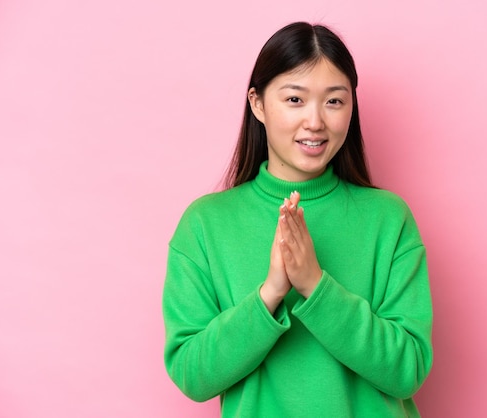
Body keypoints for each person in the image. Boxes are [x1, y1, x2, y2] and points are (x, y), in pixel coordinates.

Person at [162, 21, 433, 417]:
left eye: (334, 101)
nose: (315, 122)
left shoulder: (389, 219)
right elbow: (193, 375)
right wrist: (271, 292)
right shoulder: (205, 225)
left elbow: (407, 371)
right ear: (257, 103)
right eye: (294, 99)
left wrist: (315, 285)